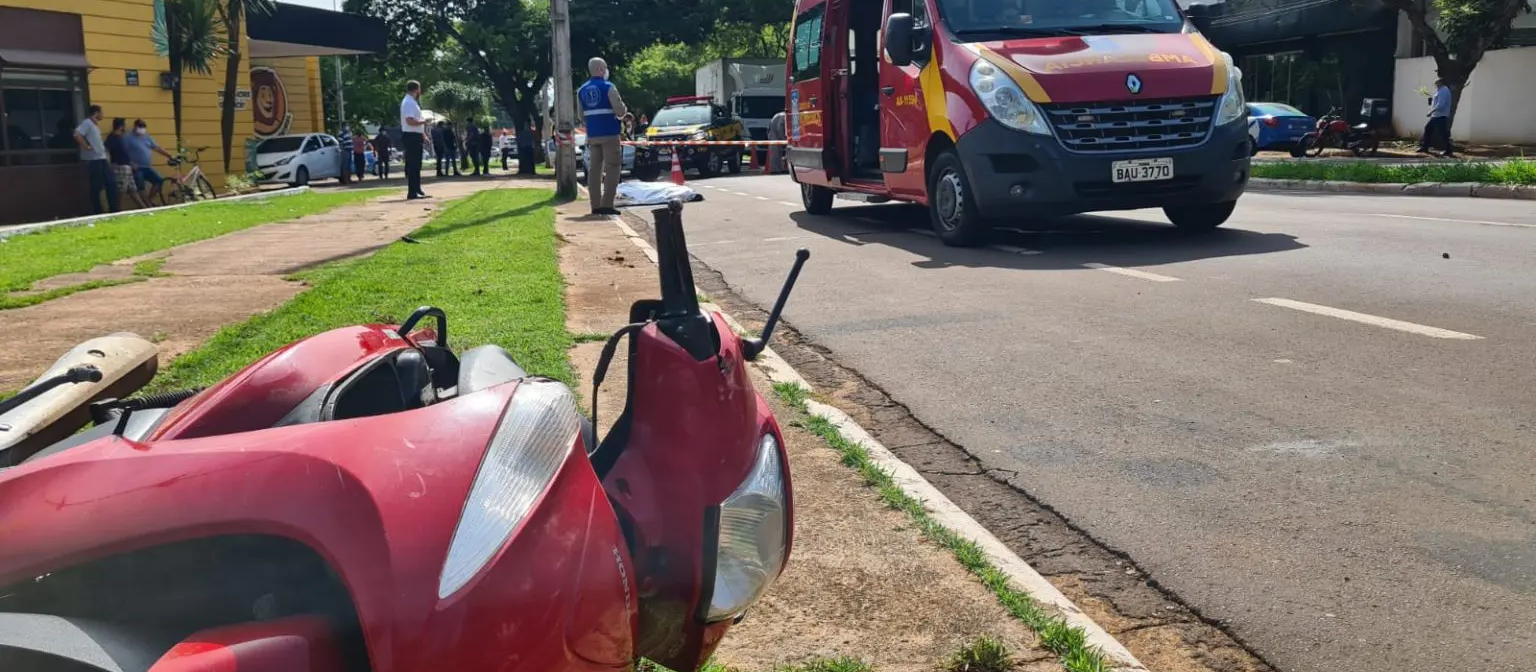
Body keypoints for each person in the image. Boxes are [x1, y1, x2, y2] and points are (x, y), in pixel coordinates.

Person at [578, 56, 628, 216]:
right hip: (610, 133)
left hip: (593, 135)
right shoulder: (609, 87)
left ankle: (595, 205)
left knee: (594, 170)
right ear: (601, 69)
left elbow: (581, 116)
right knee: (612, 167)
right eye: (605, 67)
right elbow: (620, 111)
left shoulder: (581, 90)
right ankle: (607, 204)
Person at [74, 105, 118, 214]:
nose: (103, 115)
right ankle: (97, 210)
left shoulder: (95, 125)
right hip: (94, 159)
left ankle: (113, 208)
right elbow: (77, 134)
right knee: (96, 186)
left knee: (111, 183)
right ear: (96, 113)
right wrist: (86, 146)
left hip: (101, 158)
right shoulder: (87, 123)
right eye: (101, 112)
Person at [124, 119, 175, 205]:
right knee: (140, 186)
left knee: (159, 180)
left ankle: (149, 199)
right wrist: (131, 163)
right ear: (135, 127)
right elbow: (123, 152)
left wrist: (169, 155)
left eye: (143, 127)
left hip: (147, 167)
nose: (142, 129)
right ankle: (146, 205)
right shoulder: (128, 137)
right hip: (137, 168)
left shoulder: (147, 137)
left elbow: (157, 148)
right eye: (140, 127)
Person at [104, 118, 147, 209]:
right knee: (121, 191)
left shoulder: (120, 138)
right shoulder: (113, 138)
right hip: (120, 167)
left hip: (127, 167)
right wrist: (110, 164)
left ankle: (143, 208)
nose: (125, 128)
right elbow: (108, 151)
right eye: (124, 125)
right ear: (120, 126)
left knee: (133, 190)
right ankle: (117, 210)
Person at [400, 80, 428, 199]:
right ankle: (412, 192)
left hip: (415, 135)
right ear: (417, 89)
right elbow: (410, 121)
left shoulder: (412, 102)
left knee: (417, 164)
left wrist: (423, 135)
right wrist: (424, 121)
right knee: (413, 164)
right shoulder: (408, 103)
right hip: (411, 136)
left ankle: (417, 188)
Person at [1418, 79, 1456, 158]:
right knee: (1428, 129)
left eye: (1437, 83)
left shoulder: (1444, 91)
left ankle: (1448, 150)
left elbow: (1440, 104)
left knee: (1442, 133)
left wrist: (1431, 112)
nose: (1436, 84)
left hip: (1440, 116)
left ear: (1441, 83)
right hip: (1436, 115)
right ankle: (1425, 147)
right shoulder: (1440, 90)